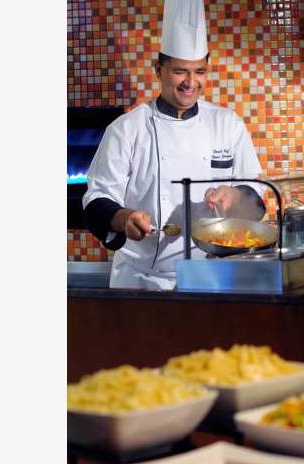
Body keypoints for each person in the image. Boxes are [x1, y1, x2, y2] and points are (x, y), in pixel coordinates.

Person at [82, 0, 266, 290]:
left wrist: (235, 197)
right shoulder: (127, 129)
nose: (191, 82)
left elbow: (256, 196)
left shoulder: (227, 124)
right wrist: (124, 217)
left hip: (211, 275)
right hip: (142, 281)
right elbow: (96, 200)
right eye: (180, 71)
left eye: (200, 71)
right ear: (159, 69)